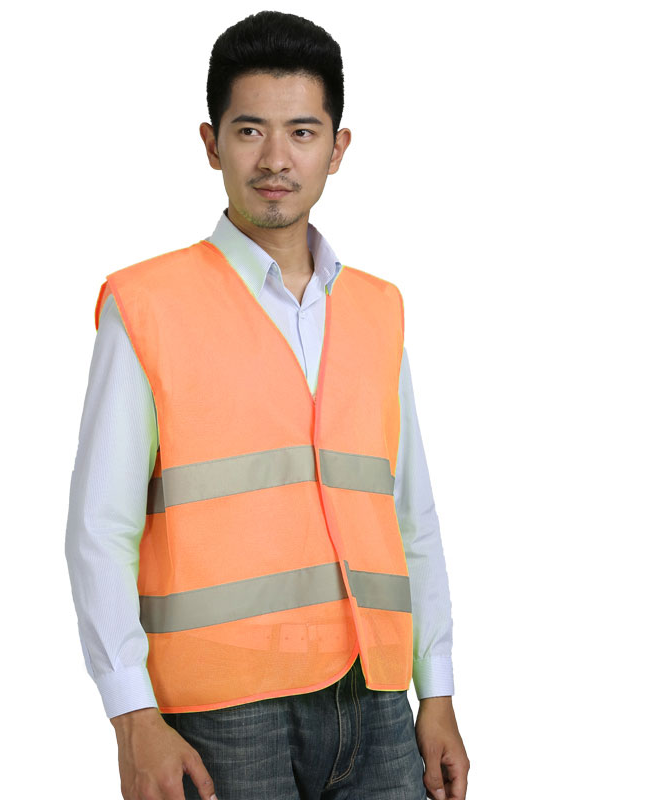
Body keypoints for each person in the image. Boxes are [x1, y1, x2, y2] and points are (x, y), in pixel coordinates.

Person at [65, 10, 469, 800]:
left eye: (302, 132)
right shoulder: (146, 305)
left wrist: (439, 689)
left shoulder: (378, 309)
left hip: (376, 697)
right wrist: (132, 716)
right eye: (249, 131)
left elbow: (410, 514)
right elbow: (100, 527)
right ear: (211, 143)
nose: (276, 159)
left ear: (337, 149)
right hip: (220, 709)